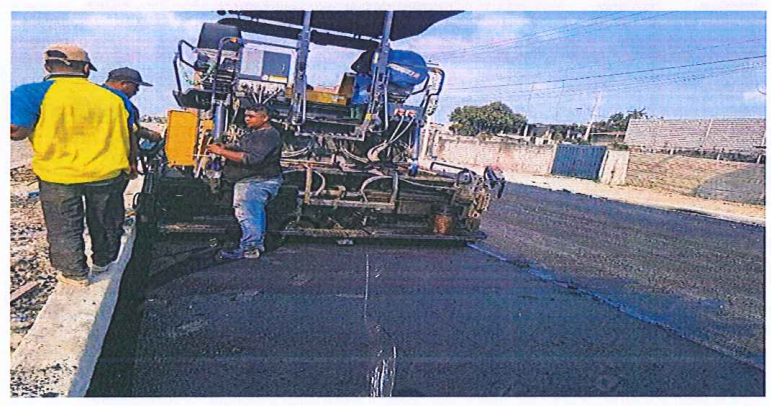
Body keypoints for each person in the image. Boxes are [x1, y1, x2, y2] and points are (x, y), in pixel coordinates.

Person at [10, 44, 135, 287]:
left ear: (47, 67)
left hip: (58, 175)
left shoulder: (29, 93)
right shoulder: (115, 97)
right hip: (107, 173)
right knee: (106, 223)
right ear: (86, 69)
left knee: (64, 227)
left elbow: (16, 131)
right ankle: (103, 262)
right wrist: (131, 161)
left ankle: (75, 274)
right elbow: (129, 132)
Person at [207, 104, 283, 260]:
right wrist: (227, 146)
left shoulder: (269, 135)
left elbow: (251, 158)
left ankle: (251, 248)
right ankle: (251, 244)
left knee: (249, 215)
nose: (247, 119)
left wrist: (221, 152)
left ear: (265, 118)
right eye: (246, 115)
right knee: (250, 213)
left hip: (257, 181)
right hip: (251, 180)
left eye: (251, 116)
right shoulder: (256, 133)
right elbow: (243, 147)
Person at [102, 67, 160, 177]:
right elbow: (130, 131)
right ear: (124, 84)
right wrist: (132, 162)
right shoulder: (120, 101)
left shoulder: (91, 95)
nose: (137, 91)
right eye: (136, 87)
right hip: (113, 164)